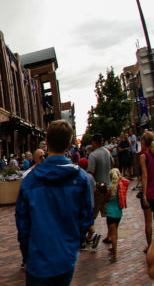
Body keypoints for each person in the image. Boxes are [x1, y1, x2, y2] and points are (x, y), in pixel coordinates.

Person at [15, 119, 93, 285]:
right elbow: (86, 218)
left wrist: (27, 253)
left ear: (47, 143)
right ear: (70, 144)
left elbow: (23, 223)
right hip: (66, 256)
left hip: (38, 258)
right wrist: (73, 243)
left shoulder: (30, 180)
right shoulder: (80, 178)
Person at [87, 133, 112, 247]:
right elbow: (113, 164)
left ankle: (90, 236)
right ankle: (110, 235)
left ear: (94, 142)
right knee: (108, 214)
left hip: (98, 189)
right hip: (108, 188)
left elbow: (91, 174)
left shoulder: (93, 155)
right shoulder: (107, 152)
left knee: (91, 215)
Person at [103, 167, 128, 263]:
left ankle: (115, 255)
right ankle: (114, 249)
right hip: (118, 213)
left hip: (110, 213)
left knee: (113, 234)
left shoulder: (110, 188)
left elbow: (105, 199)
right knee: (115, 232)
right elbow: (126, 181)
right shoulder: (121, 186)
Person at [141, 131, 154, 249]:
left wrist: (144, 194)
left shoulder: (144, 156)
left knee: (148, 223)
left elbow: (145, 176)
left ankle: (150, 247)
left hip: (149, 193)